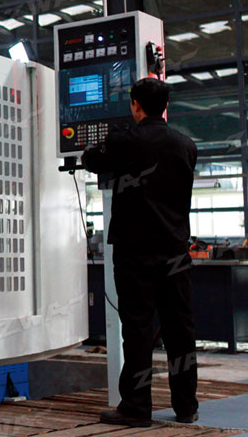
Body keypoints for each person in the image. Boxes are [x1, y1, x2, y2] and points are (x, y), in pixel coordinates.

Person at [82, 77, 198, 427]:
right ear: (165, 106)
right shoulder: (186, 145)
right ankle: (186, 406)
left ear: (135, 104)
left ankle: (136, 408)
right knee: (180, 328)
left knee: (137, 328)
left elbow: (91, 160)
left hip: (135, 253)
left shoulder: (124, 141)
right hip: (175, 250)